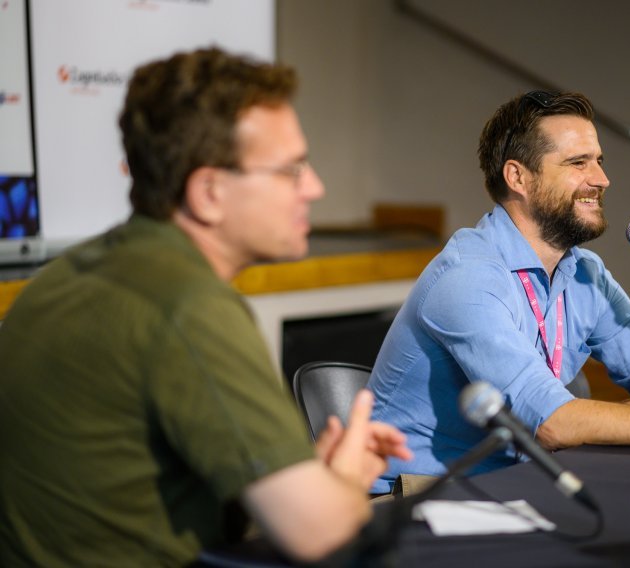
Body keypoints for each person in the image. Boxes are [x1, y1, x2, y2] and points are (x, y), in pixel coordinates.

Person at [0, 48, 411, 566]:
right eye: (291, 170)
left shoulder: (65, 276)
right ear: (209, 192)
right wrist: (349, 480)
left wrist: (304, 475)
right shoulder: (188, 307)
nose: (314, 187)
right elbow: (320, 533)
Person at [366, 90, 630, 493]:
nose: (602, 179)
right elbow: (554, 424)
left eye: (599, 160)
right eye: (578, 162)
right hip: (422, 497)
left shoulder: (586, 274)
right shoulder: (468, 279)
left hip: (524, 483)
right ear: (518, 177)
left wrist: (588, 422)